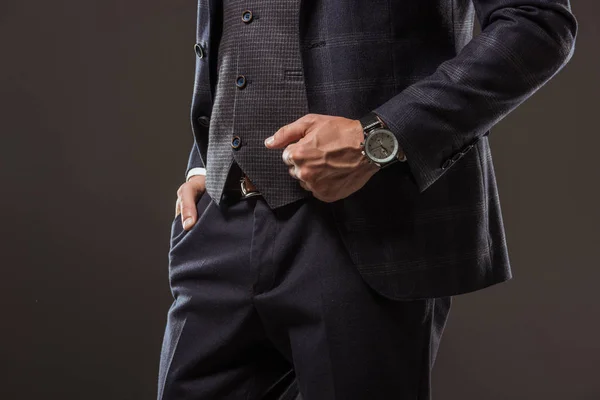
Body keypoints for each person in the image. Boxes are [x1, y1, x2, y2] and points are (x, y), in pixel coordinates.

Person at [157, 1, 578, 399]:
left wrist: (381, 137)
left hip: (369, 233)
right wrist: (203, 161)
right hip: (220, 223)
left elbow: (537, 22)